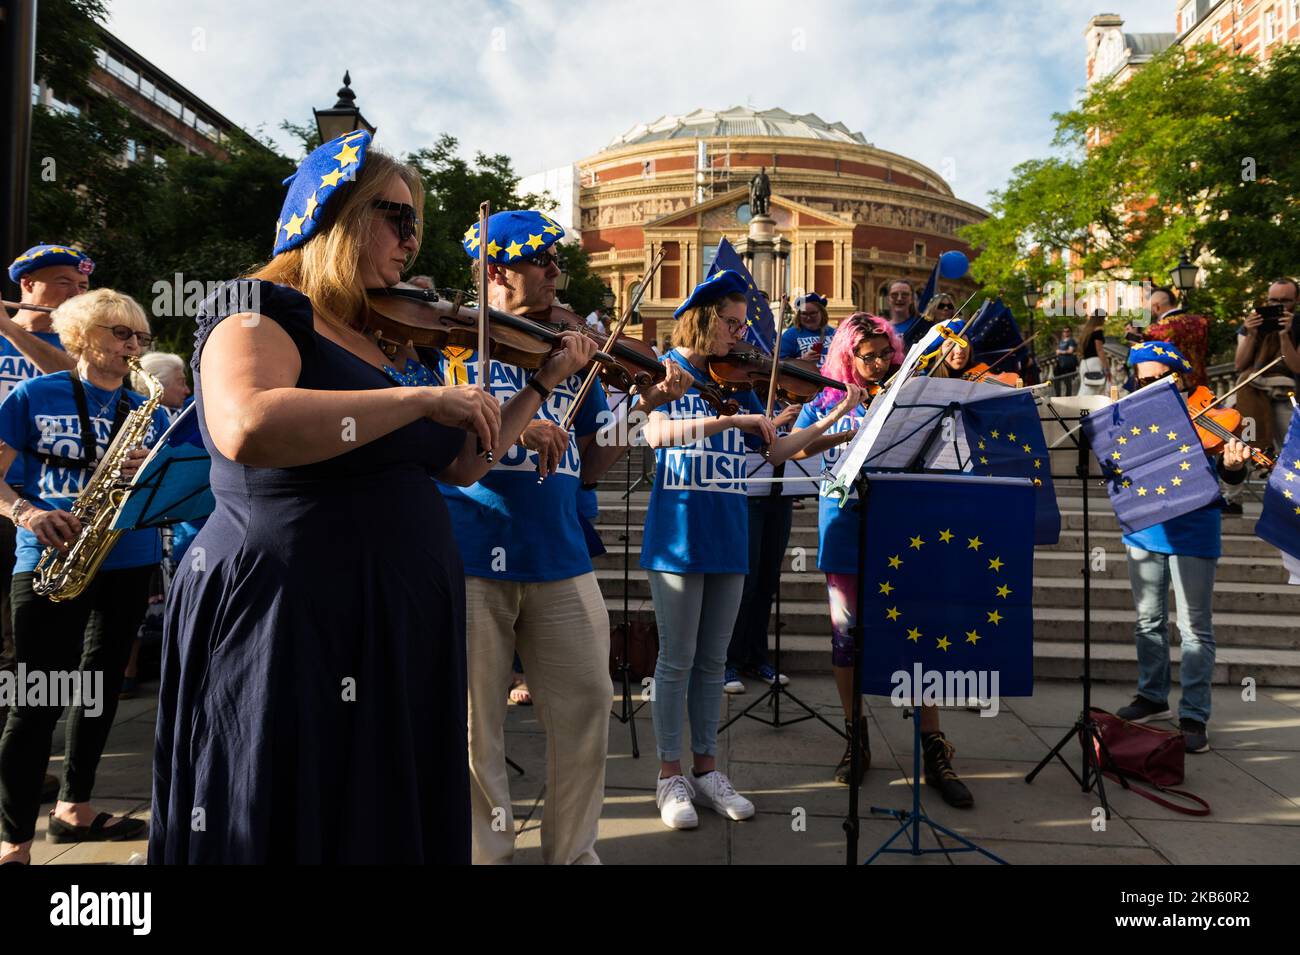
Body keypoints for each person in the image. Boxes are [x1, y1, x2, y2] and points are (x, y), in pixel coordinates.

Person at [150, 131, 545, 864]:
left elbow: (463, 464)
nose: (412, 241)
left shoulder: (381, 339)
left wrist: (539, 385)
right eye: (397, 217)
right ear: (335, 217)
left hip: (390, 616)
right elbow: (247, 424)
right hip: (296, 606)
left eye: (417, 224)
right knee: (291, 809)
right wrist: (422, 398)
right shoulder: (259, 305)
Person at [445, 209, 689, 864]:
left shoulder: (573, 349)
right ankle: (486, 853)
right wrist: (524, 414)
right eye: (541, 260)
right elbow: (448, 442)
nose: (557, 270)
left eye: (557, 260)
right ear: (498, 269)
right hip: (470, 551)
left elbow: (593, 458)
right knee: (475, 728)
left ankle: (573, 852)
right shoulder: (451, 345)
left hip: (560, 552)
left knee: (587, 704)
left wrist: (642, 408)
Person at [643, 270, 863, 830]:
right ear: (703, 317)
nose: (742, 336)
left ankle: (706, 770)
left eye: (744, 324)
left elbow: (775, 453)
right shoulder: (673, 371)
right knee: (676, 660)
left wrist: (837, 418)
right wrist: (734, 418)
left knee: (714, 662)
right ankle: (670, 776)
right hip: (678, 533)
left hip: (727, 532)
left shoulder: (738, 381)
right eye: (732, 323)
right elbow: (656, 433)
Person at [0, 288, 171, 864]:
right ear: (81, 335)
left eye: (140, 338)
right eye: (120, 334)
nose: (133, 347)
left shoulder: (150, 408)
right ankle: (15, 840)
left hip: (128, 555)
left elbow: (177, 490)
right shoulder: (34, 394)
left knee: (98, 690)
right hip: (51, 556)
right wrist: (27, 511)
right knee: (35, 700)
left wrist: (149, 473)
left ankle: (75, 807)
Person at [1114, 343, 1250, 754]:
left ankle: (1194, 715)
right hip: (1145, 527)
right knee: (1147, 621)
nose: (1150, 386)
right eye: (1143, 379)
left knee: (1194, 628)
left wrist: (1233, 464)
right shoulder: (1130, 417)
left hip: (1194, 528)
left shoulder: (1214, 417)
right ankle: (1152, 697)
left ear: (1181, 378)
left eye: (1160, 379)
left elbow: (1232, 484)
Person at [0, 245, 88, 799]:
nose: (73, 295)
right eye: (60, 284)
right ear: (26, 285)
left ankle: (22, 764)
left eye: (79, 288)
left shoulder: (68, 346)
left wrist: (9, 329)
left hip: (39, 515)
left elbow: (75, 378)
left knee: (25, 652)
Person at [1234, 278, 1300, 456]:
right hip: (1255, 392)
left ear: (1297, 299)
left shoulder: (1298, 324)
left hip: (1290, 397)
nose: (1279, 305)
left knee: (1292, 453)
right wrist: (1251, 334)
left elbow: (1296, 366)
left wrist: (1285, 335)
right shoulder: (1254, 324)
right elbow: (1239, 364)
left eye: (1285, 301)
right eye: (1273, 301)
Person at [1144, 286, 1208, 390]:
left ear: (1156, 307)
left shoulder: (1155, 330)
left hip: (1175, 387)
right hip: (1201, 383)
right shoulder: (1200, 322)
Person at [779, 292, 832, 361]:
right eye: (804, 314)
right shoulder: (790, 335)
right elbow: (780, 363)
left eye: (813, 313)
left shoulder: (834, 333)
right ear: (799, 315)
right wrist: (802, 360)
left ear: (822, 313)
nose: (808, 318)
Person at [884, 279, 927, 349]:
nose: (899, 298)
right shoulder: (882, 328)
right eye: (894, 295)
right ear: (888, 299)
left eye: (905, 295)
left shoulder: (922, 325)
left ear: (912, 299)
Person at [1076, 310, 1109, 397]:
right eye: (1104, 318)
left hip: (1085, 364)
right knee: (1093, 392)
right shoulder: (1098, 330)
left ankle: (1079, 408)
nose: (1104, 321)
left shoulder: (1086, 332)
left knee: (1084, 389)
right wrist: (1107, 368)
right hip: (1094, 363)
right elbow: (1099, 350)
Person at [1053, 327, 1078, 396]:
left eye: (1067, 331)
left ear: (1070, 332)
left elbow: (1070, 351)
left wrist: (1060, 351)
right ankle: (1058, 396)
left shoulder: (1071, 340)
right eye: (1064, 331)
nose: (1066, 332)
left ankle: (1068, 397)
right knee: (1056, 379)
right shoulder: (1062, 341)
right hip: (1060, 363)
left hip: (1067, 364)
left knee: (1067, 381)